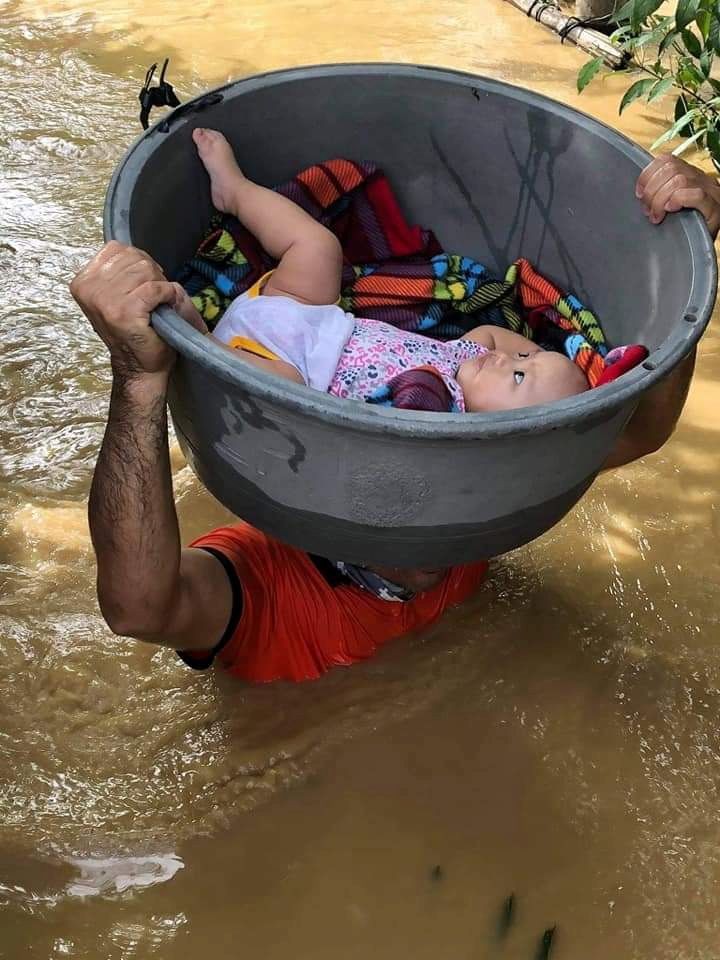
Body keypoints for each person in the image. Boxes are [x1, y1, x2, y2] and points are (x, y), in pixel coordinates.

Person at [70, 152, 719, 683]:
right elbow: (138, 608)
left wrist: (693, 251)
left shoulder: (475, 497)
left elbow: (639, 429)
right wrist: (139, 377)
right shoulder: (270, 586)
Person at [183, 128, 588, 413]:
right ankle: (236, 191)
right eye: (523, 356)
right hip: (306, 311)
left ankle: (198, 342)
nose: (505, 360)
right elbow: (490, 336)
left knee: (284, 389)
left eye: (518, 376)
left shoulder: (443, 412)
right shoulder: (468, 356)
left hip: (283, 368)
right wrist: (529, 352)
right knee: (320, 248)